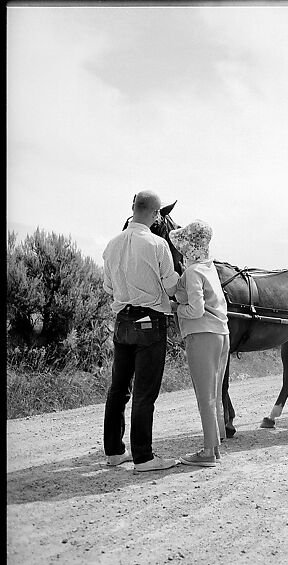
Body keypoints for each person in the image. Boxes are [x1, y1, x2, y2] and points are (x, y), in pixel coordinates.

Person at [102, 190, 180, 472]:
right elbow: (171, 285)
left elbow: (108, 287)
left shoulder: (111, 245)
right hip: (150, 321)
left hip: (122, 321)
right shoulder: (158, 244)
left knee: (118, 389)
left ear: (133, 208)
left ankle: (114, 451)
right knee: (145, 392)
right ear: (156, 213)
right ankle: (144, 457)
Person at [168, 219, 230, 467]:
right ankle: (214, 445)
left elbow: (195, 310)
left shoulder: (193, 272)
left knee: (204, 395)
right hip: (221, 334)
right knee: (214, 393)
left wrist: (174, 308)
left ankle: (207, 452)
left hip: (202, 334)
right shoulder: (208, 267)